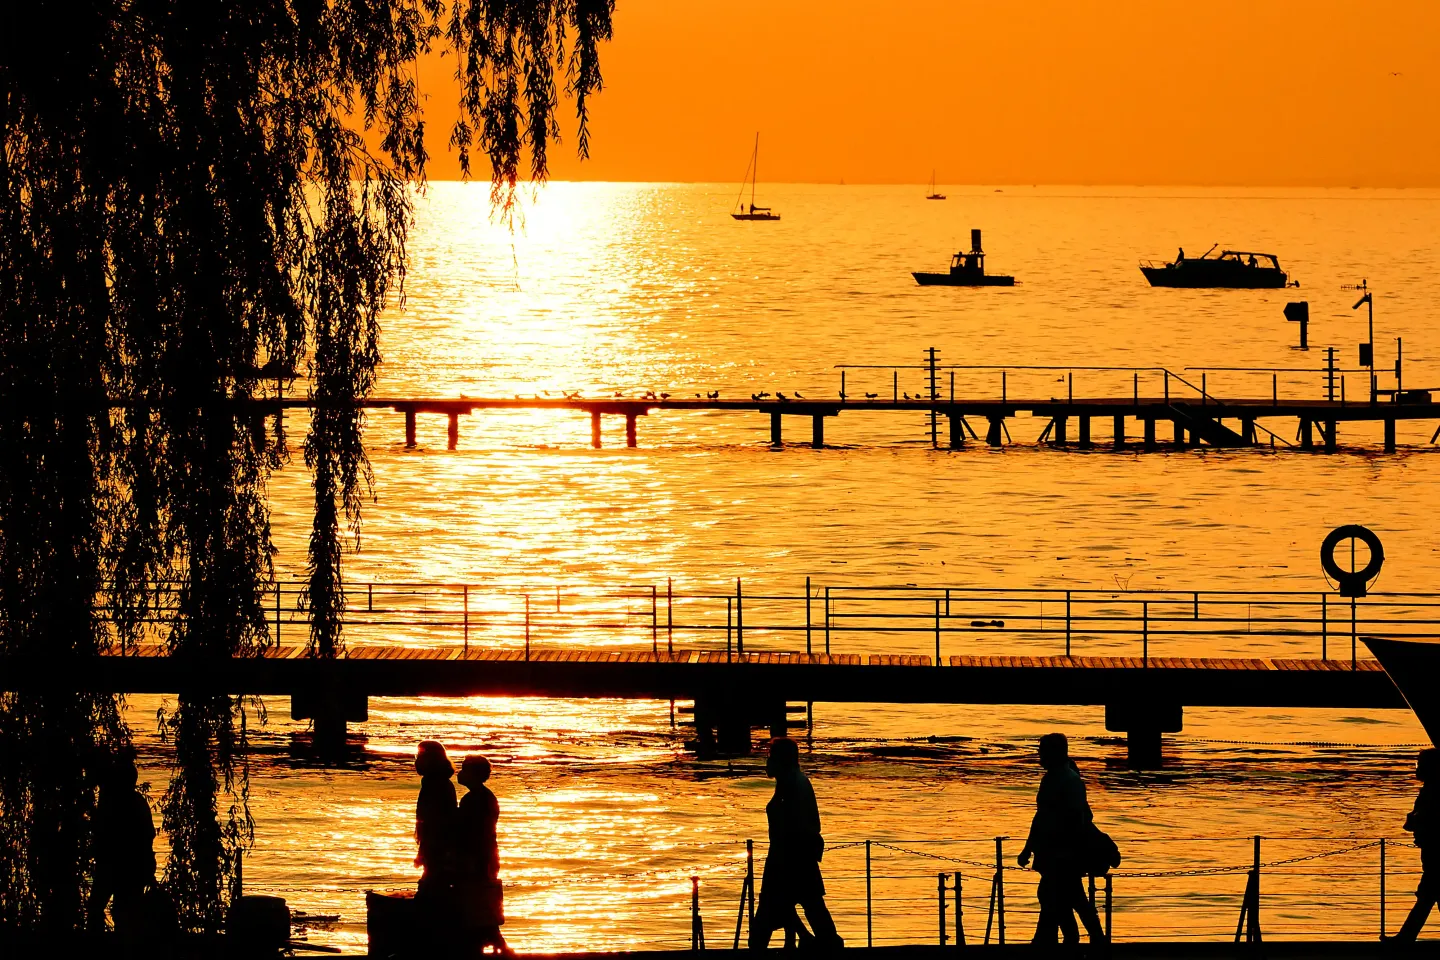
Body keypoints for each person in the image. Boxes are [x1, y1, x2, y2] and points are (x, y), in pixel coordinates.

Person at [749, 737, 843, 950]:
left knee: (762, 931)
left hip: (789, 860)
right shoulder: (792, 782)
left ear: (780, 760)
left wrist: (784, 858)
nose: (767, 762)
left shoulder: (792, 784)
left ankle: (815, 942)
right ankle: (812, 940)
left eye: (770, 757)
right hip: (794, 859)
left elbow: (794, 825)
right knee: (812, 911)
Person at [1017, 733, 1107, 947]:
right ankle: (1084, 940)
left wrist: (1069, 852)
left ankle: (1068, 940)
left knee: (1056, 898)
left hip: (1062, 854)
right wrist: (1028, 848)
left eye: (1043, 751)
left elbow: (1078, 820)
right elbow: (1040, 816)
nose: (1039, 755)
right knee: (1067, 898)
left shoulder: (1069, 781)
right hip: (1053, 852)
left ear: (1054, 753)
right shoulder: (1052, 778)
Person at [88, 752, 157, 936]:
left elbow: (104, 833)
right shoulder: (137, 803)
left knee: (101, 909)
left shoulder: (116, 804)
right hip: (130, 867)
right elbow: (148, 836)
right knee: (122, 913)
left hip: (117, 866)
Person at [456, 755, 509, 955]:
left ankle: (494, 945)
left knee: (478, 904)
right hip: (487, 856)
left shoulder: (473, 799)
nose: (459, 773)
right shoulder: (486, 797)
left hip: (478, 858)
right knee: (482, 904)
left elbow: (470, 832)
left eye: (464, 769)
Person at [1394, 748, 1440, 941]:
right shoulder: (1430, 789)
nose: (1417, 769)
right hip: (1431, 850)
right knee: (1428, 896)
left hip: (1437, 851)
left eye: (1420, 765)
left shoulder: (1433, 792)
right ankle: (1405, 937)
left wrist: (1416, 820)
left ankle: (1405, 938)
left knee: (1427, 896)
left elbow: (1422, 819)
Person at [414, 740, 459, 900]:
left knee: (432, 883)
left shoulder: (435, 784)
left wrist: (425, 849)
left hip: (437, 843)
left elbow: (434, 821)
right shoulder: (439, 782)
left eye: (420, 755)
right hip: (437, 843)